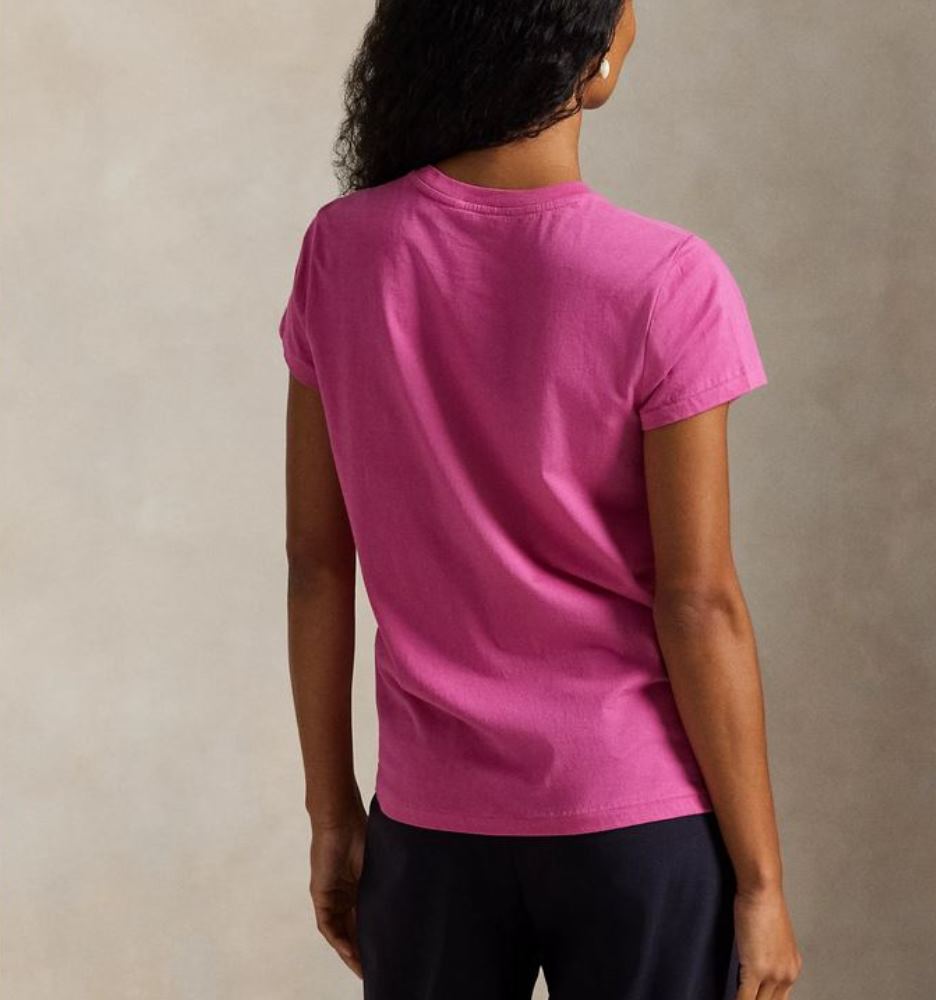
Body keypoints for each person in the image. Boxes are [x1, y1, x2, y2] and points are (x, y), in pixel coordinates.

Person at [278, 1, 803, 997]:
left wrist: (332, 812)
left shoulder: (343, 252)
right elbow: (697, 601)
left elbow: (316, 566)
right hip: (635, 821)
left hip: (427, 827)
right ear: (591, 64)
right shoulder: (666, 280)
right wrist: (763, 882)